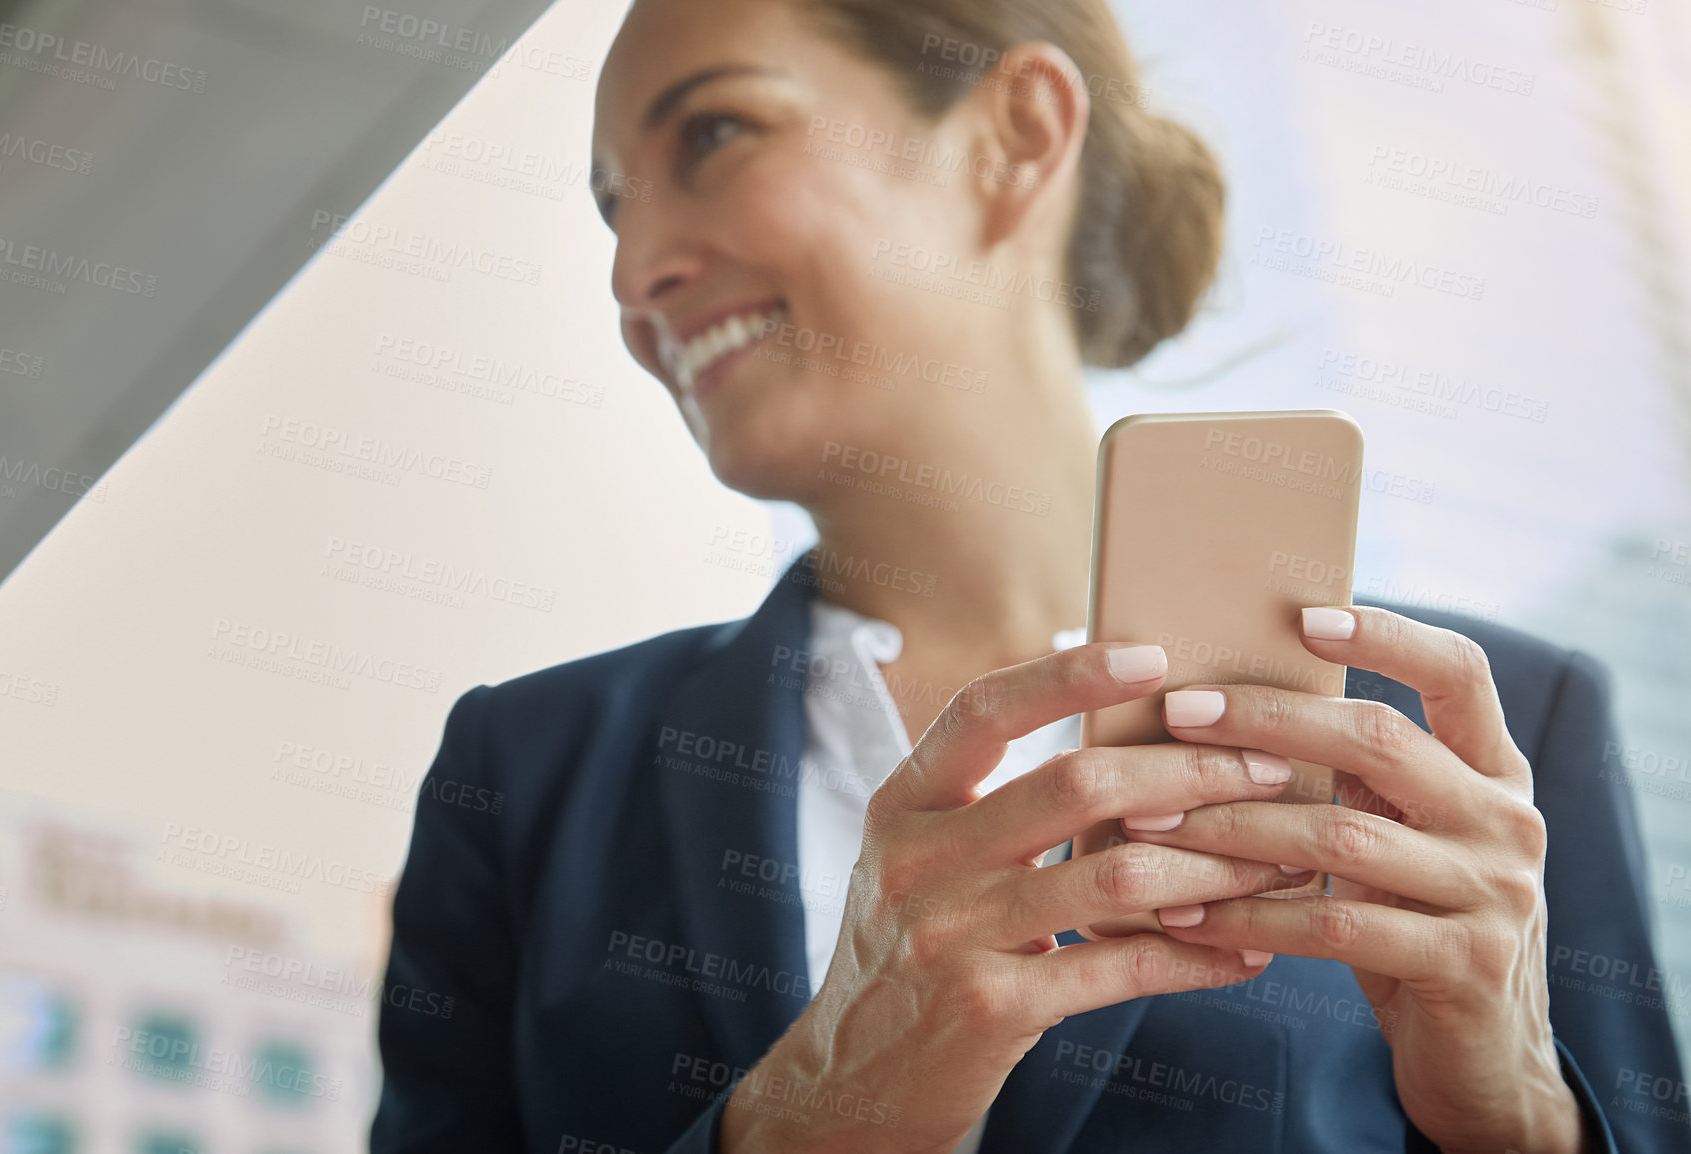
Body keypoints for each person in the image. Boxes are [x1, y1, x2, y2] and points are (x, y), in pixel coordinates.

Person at [369, 0, 1687, 1150]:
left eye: (711, 136)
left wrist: (1522, 1118)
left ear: (1014, 135)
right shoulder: (526, 774)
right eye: (611, 204)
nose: (631, 271)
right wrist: (799, 1126)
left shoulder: (1482, 734)